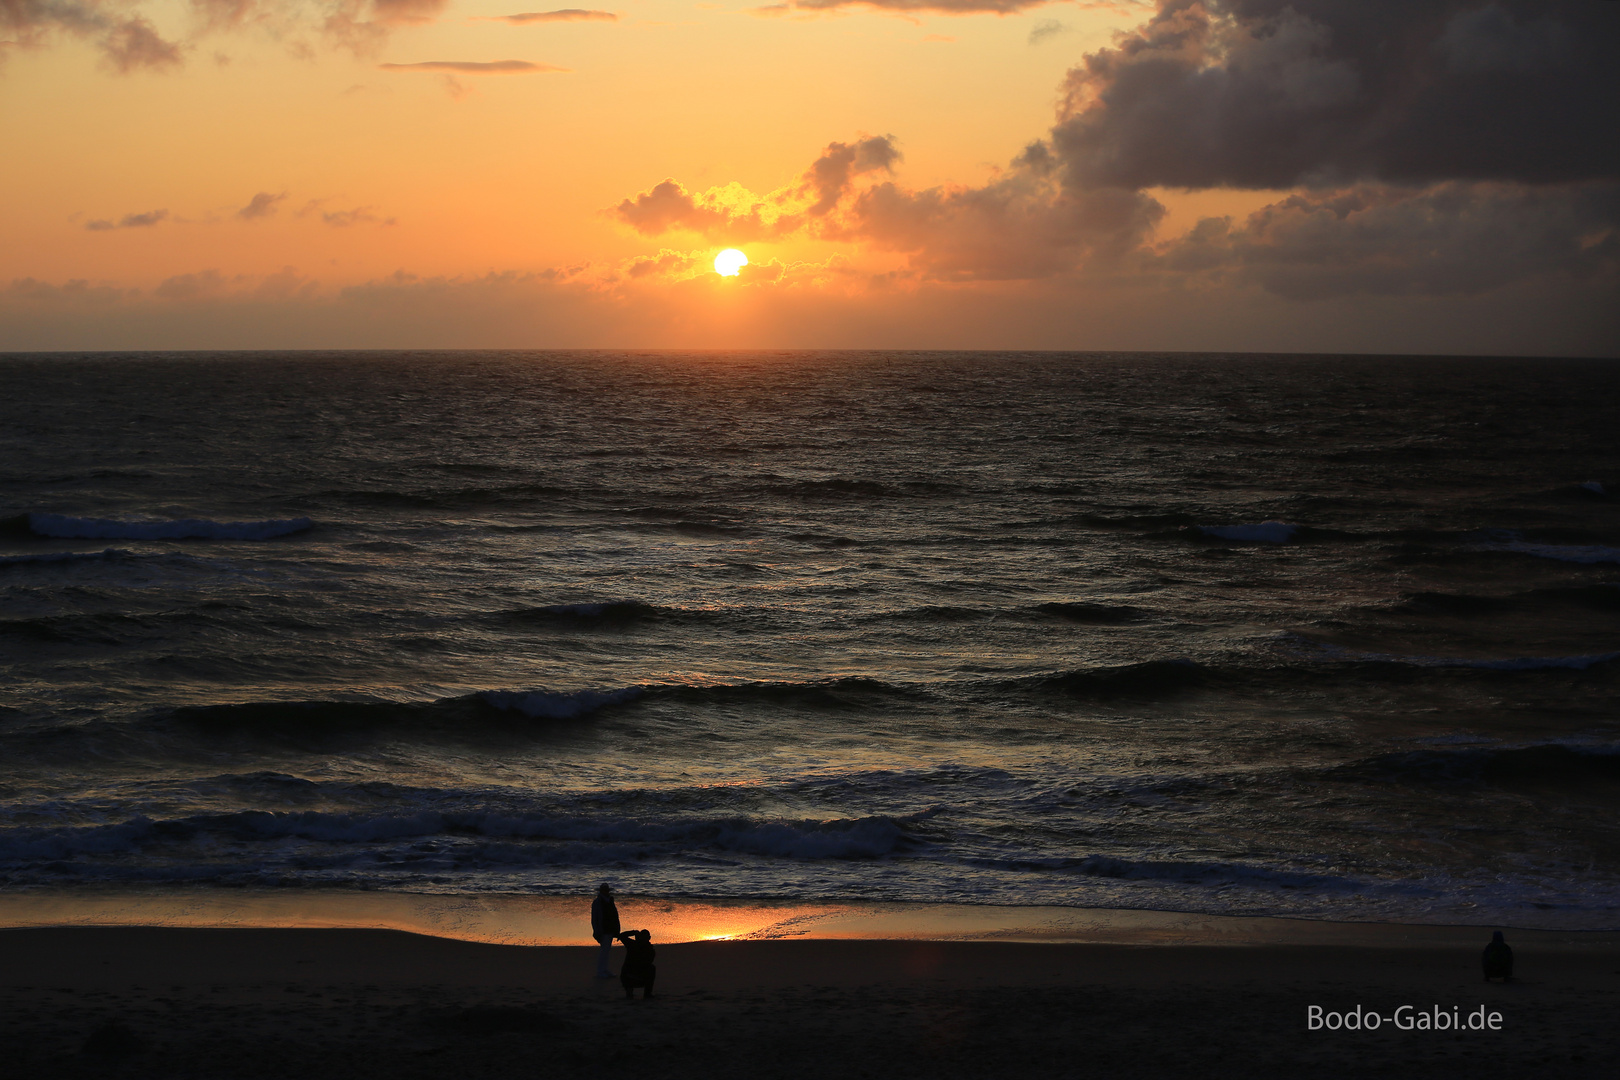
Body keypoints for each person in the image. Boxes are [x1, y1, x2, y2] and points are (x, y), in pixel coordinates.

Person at [616, 928, 656, 1000]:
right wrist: (634, 933)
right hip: (631, 977)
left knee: (650, 968)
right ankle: (647, 994)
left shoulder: (632, 944)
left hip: (630, 977)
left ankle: (631, 992)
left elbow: (621, 936)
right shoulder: (648, 949)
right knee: (651, 968)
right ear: (649, 938)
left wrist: (633, 933)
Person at [591, 883, 620, 978]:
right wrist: (596, 931)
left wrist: (617, 929)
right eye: (604, 890)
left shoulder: (610, 901)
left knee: (607, 951)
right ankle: (600, 972)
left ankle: (604, 970)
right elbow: (594, 919)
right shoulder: (597, 902)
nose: (606, 892)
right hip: (603, 930)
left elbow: (615, 916)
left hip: (610, 929)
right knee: (604, 951)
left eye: (607, 890)